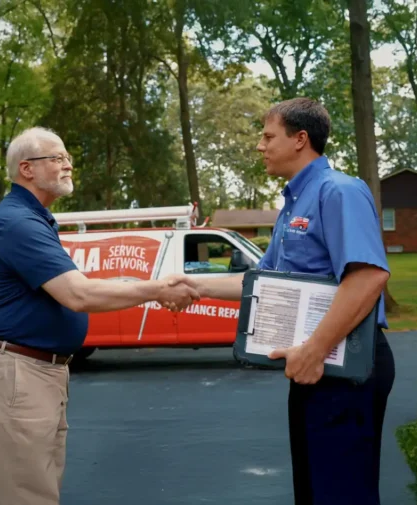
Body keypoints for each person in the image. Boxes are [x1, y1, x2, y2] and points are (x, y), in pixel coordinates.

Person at [169, 97, 396, 504]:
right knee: (314, 491)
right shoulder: (293, 204)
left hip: (344, 363)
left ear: (300, 139)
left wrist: (315, 349)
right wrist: (192, 284)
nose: (260, 145)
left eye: (268, 135)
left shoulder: (339, 191)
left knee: (342, 493)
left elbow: (368, 276)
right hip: (314, 364)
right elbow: (260, 282)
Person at [0, 126, 199, 505]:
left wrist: (151, 283)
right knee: (26, 496)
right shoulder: (18, 223)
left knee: (38, 490)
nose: (68, 165)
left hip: (31, 371)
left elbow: (78, 283)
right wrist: (157, 290)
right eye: (58, 158)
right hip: (15, 373)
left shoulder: (33, 219)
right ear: (27, 169)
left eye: (68, 157)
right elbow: (78, 293)